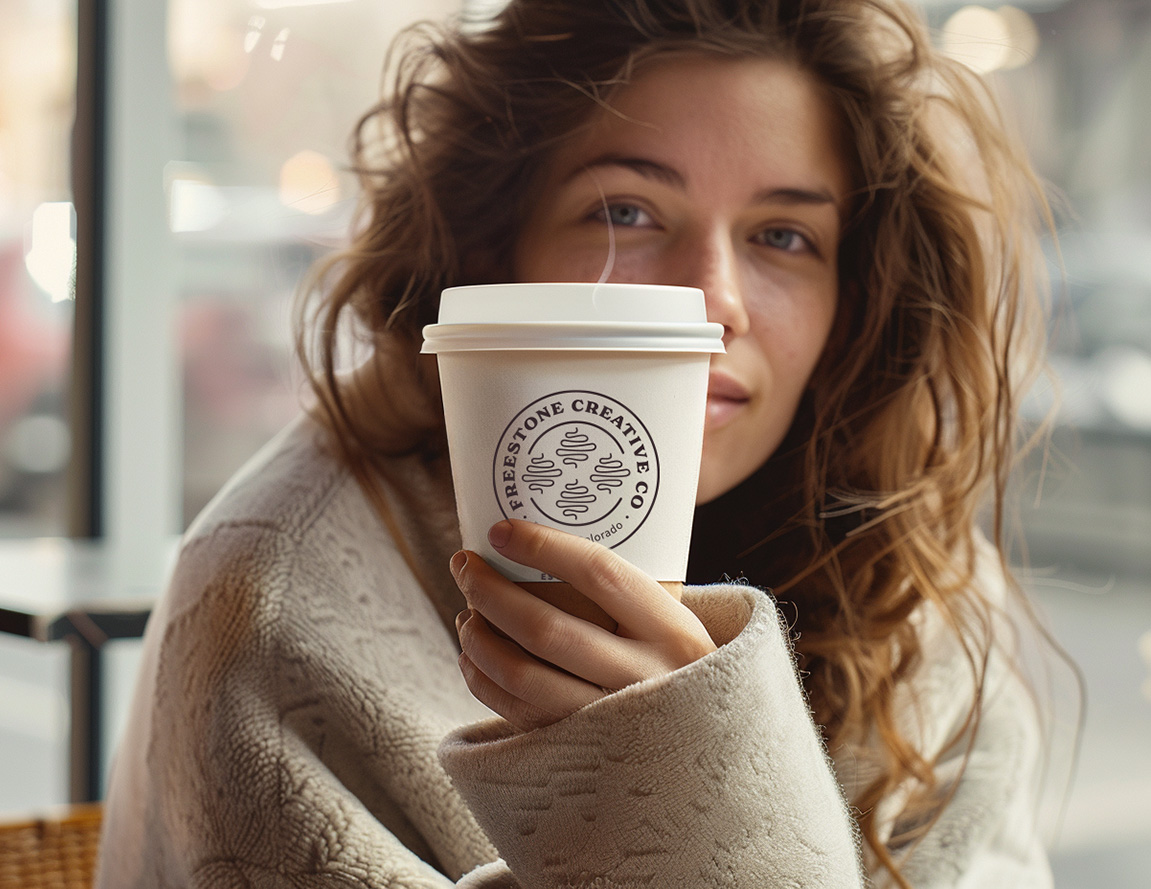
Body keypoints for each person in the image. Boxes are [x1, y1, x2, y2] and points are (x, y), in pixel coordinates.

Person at [96, 0, 1062, 886]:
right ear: (492, 254)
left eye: (783, 237)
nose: (714, 300)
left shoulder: (908, 580)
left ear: (850, 308)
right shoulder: (282, 607)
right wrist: (682, 792)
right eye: (625, 212)